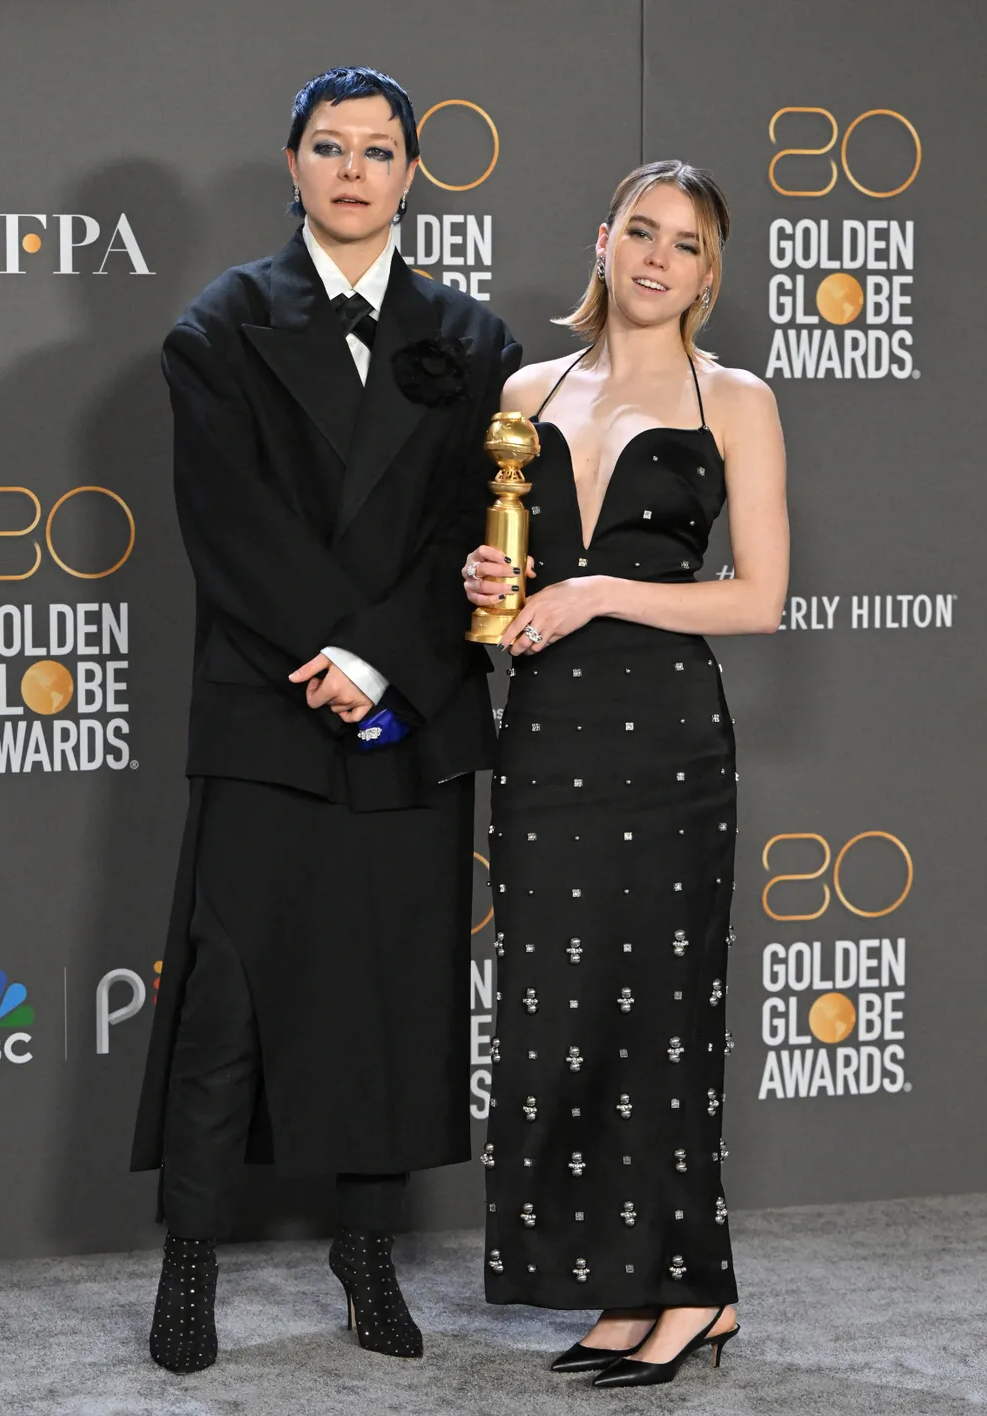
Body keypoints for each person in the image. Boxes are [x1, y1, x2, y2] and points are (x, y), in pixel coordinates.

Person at [131, 65, 520, 1373]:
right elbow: (228, 527)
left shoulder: (475, 344)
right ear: (290, 165)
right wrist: (337, 649)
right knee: (226, 1006)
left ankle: (369, 1262)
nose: (355, 169)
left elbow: (477, 529)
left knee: (391, 996)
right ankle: (187, 1270)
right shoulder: (219, 327)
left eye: (380, 149)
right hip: (271, 709)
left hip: (409, 712)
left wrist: (386, 660)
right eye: (329, 146)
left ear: (414, 173)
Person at [463, 159, 788, 1388]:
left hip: (666, 742)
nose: (658, 257)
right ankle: (621, 1283)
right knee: (559, 1020)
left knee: (661, 1021)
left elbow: (759, 597)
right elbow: (506, 570)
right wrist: (488, 586)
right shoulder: (527, 387)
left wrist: (601, 589)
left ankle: (694, 1289)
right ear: (602, 241)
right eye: (640, 231)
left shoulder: (733, 399)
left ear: (710, 273)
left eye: (687, 244)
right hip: (545, 733)